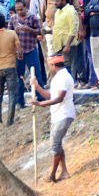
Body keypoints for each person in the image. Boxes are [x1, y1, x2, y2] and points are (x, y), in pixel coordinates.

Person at [32, 55, 74, 183]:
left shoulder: (64, 77)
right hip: (57, 114)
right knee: (58, 144)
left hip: (64, 114)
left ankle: (52, 174)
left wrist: (40, 104)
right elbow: (51, 96)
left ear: (53, 65)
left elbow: (59, 98)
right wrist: (37, 87)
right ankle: (64, 172)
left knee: (55, 145)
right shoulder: (58, 78)